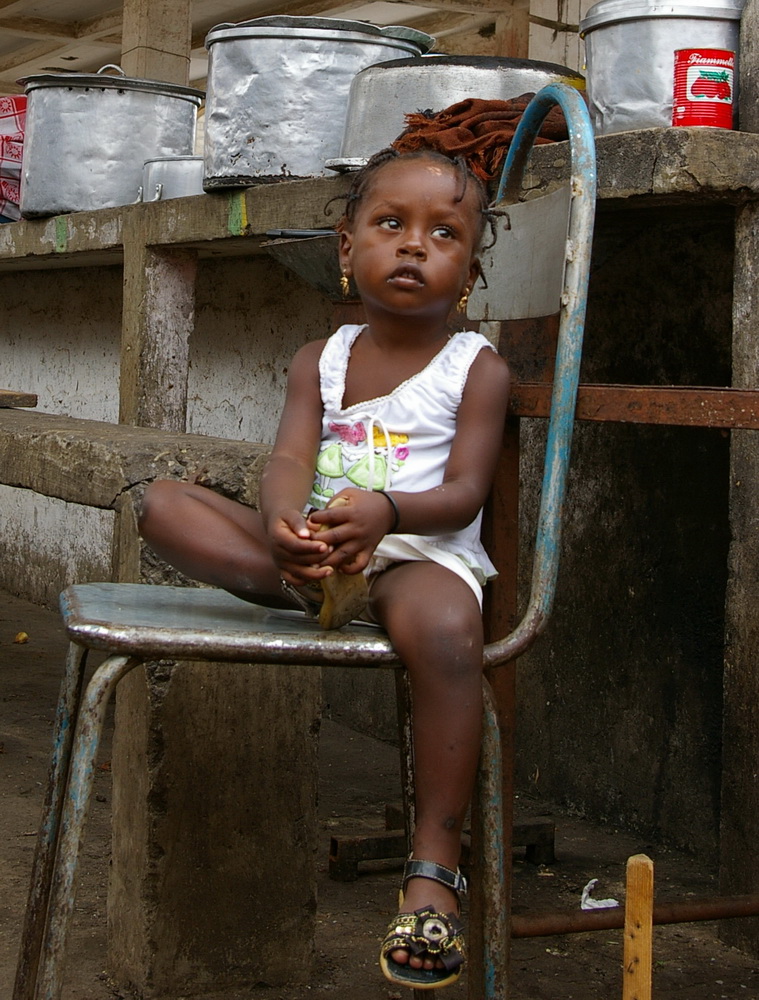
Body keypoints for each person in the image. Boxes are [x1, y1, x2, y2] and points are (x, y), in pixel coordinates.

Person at [138, 146, 511, 991]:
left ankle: (432, 871)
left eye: (443, 233)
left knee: (452, 630)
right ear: (346, 250)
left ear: (469, 269)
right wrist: (281, 528)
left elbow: (460, 493)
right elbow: (287, 461)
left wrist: (385, 514)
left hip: (411, 559)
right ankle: (305, 586)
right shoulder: (320, 358)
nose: (414, 246)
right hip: (312, 562)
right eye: (390, 225)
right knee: (162, 503)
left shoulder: (475, 369)